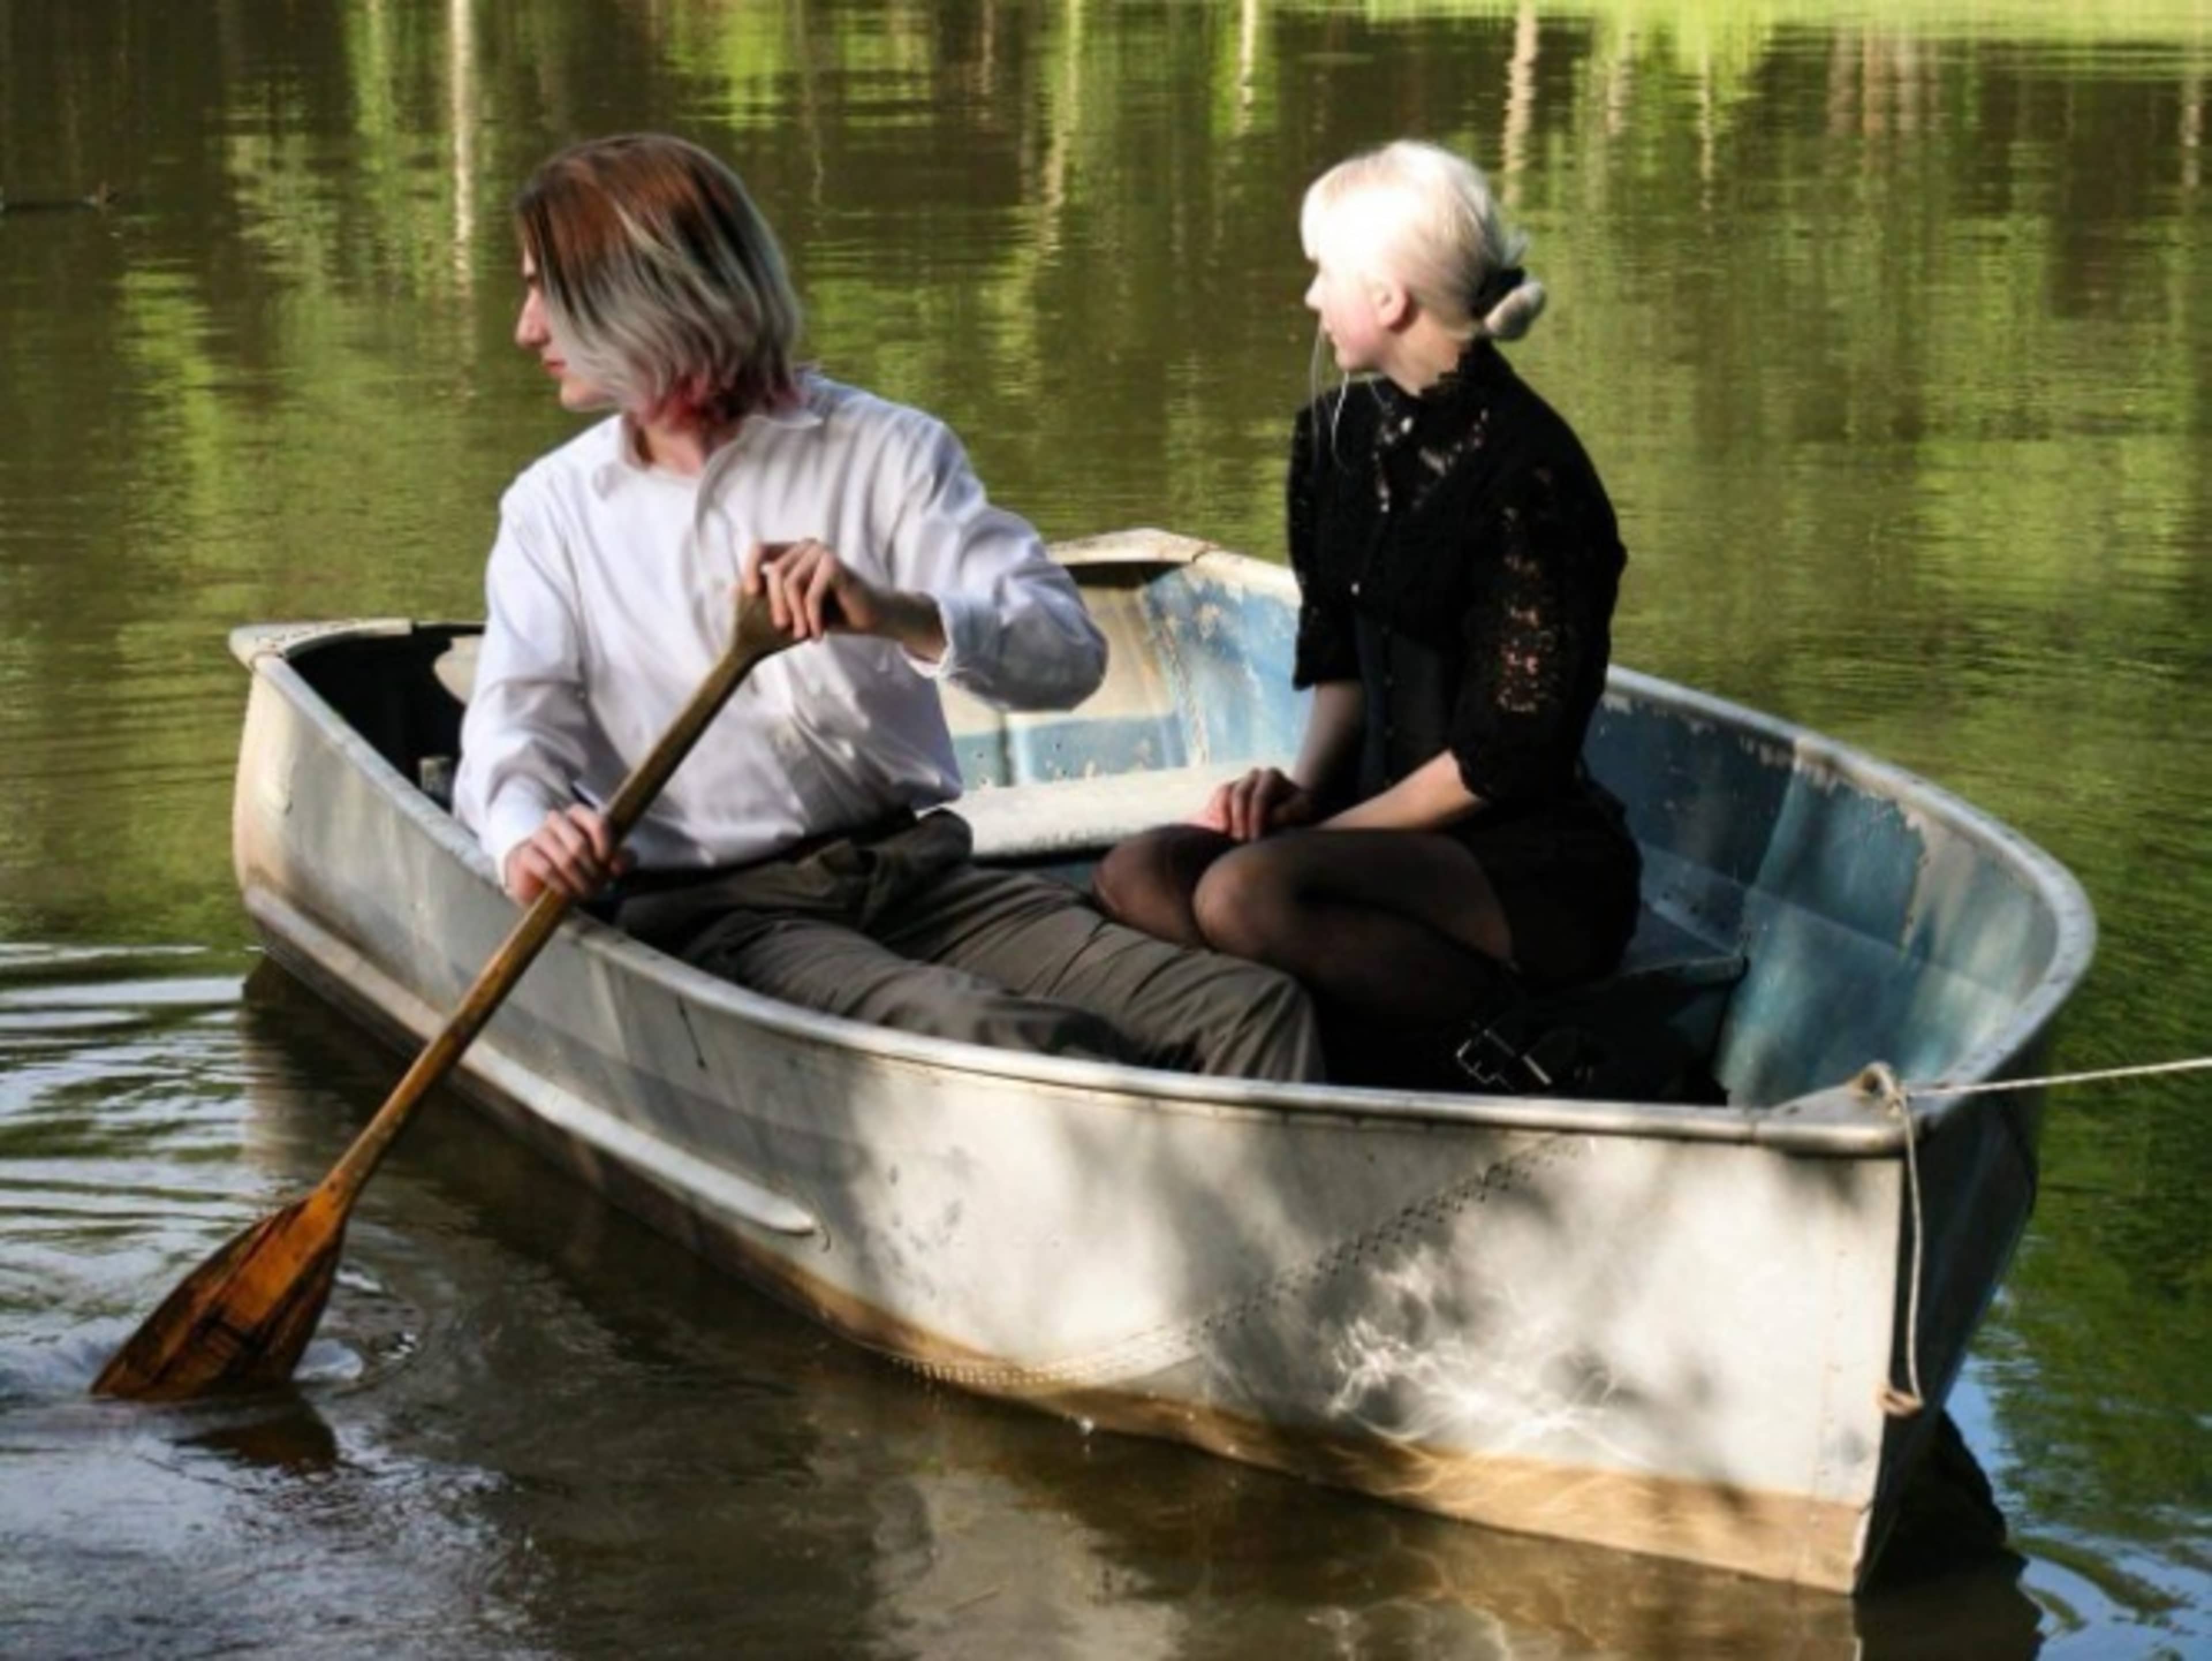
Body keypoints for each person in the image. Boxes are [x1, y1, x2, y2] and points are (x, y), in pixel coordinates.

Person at [454, 134, 1322, 1083]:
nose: (526, 330)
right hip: (724, 914)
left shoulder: (888, 450)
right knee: (999, 1040)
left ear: (642, 297)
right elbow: (512, 732)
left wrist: (896, 613)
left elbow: (1069, 656)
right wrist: (527, 836)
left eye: (545, 292)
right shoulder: (554, 511)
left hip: (918, 877)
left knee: (1251, 1009)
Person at [1092, 141, 1641, 1090]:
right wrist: (1300, 796)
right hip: (1369, 826)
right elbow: (1340, 661)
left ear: (1388, 298)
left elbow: (1505, 759)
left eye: (1325, 273)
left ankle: (1524, 1053)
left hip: (1519, 860)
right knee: (1138, 871)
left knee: (1247, 892)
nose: (1311, 297)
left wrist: (1327, 838)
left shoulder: (1532, 473)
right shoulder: (1332, 441)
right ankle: (1322, 1033)